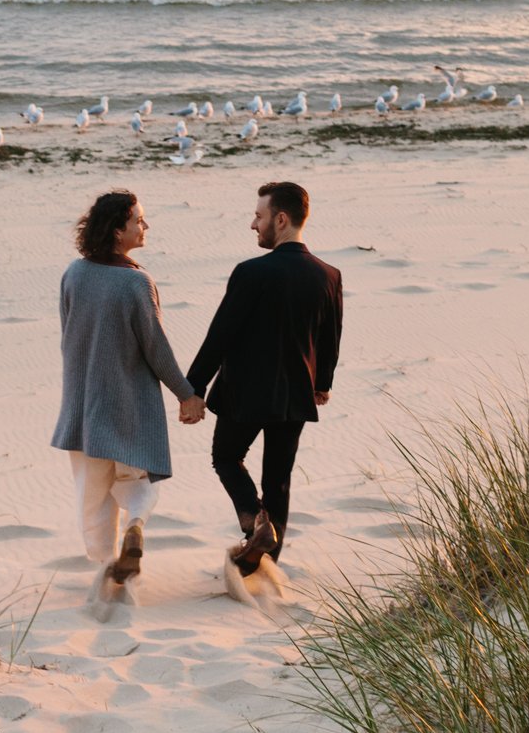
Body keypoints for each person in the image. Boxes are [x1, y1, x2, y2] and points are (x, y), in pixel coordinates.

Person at [186, 179, 344, 575]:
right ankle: (264, 565)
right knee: (279, 479)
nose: (253, 225)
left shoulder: (251, 272)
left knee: (226, 457)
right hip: (295, 395)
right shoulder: (329, 274)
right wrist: (322, 382)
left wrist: (194, 388)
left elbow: (221, 334)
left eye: (259, 216)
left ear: (282, 219)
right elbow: (330, 335)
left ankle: (254, 523)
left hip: (246, 392)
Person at [52, 189, 206, 583]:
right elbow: (156, 348)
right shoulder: (137, 284)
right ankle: (135, 524)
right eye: (138, 220)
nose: (145, 226)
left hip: (83, 405)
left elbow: (67, 335)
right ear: (117, 229)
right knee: (135, 480)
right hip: (128, 404)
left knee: (93, 492)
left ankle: (106, 570)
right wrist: (186, 394)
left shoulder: (73, 274)